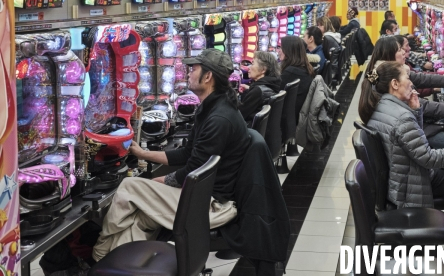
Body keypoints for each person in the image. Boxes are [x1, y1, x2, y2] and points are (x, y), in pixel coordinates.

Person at [93, 49, 250, 262]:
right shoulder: (214, 108)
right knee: (143, 216)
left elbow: (193, 170)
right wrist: (143, 153)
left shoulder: (219, 119)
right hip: (204, 195)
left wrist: (161, 181)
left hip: (211, 203)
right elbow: (187, 154)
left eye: (193, 69)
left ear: (208, 76)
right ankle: (116, 262)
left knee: (130, 187)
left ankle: (99, 252)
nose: (188, 73)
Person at [358, 61, 444, 251]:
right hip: (408, 187)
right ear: (394, 84)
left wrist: (416, 111)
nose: (412, 82)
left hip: (398, 180)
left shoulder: (383, 105)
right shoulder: (401, 117)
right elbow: (428, 158)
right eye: (407, 77)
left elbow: (411, 142)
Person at [238, 52, 281, 127]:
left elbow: (239, 115)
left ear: (263, 69)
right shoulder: (273, 83)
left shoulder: (257, 91)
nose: (249, 67)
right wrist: (250, 89)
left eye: (253, 63)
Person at [278, 36, 315, 120]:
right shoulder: (304, 67)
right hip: (295, 116)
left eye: (281, 48)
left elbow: (277, 93)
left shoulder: (291, 72)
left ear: (289, 51)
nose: (279, 51)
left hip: (289, 117)